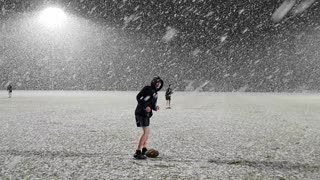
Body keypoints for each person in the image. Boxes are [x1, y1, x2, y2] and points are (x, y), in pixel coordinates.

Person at [134, 76, 163, 160]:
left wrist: (155, 107)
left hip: (146, 114)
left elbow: (151, 103)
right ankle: (138, 151)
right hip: (141, 113)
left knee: (147, 132)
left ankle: (144, 148)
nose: (158, 84)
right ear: (153, 82)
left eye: (159, 83)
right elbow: (139, 97)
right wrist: (145, 107)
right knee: (146, 132)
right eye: (156, 82)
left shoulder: (155, 93)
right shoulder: (147, 88)